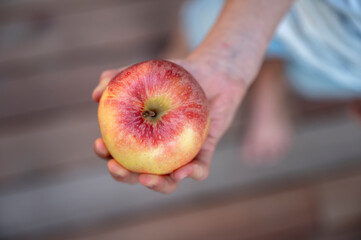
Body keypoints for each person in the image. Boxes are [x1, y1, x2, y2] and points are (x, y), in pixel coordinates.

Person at [92, 0, 361, 194]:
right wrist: (226, 58)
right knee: (199, 28)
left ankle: (271, 75)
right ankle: (266, 69)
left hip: (341, 66)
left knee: (306, 80)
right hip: (279, 11)